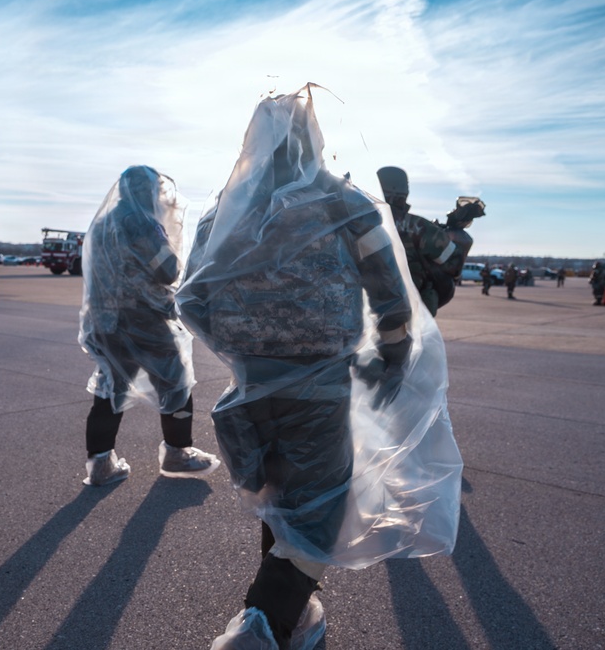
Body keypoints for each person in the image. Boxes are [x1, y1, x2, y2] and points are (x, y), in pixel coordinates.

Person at [177, 85, 462, 650]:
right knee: (320, 514)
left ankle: (292, 614)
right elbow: (389, 291)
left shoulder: (226, 209)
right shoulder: (343, 200)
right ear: (314, 141)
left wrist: (243, 352)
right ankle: (260, 626)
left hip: (250, 385)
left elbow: (190, 298)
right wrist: (391, 357)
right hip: (322, 385)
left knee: (286, 500)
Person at [78, 165, 220, 486]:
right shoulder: (141, 222)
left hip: (106, 321)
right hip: (144, 319)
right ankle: (177, 451)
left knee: (110, 390)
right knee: (177, 384)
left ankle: (100, 464)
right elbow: (167, 269)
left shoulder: (103, 223)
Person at [375, 167, 473, 317]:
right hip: (409, 309)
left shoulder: (353, 223)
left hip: (362, 307)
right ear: (404, 192)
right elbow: (454, 265)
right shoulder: (419, 226)